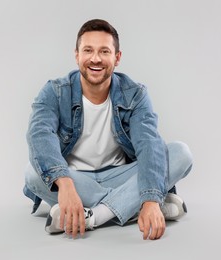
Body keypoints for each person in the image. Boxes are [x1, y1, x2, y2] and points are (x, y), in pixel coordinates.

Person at [23, 19, 193, 240]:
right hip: (74, 179)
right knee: (32, 173)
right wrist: (64, 183)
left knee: (180, 153)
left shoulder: (135, 94)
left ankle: (92, 217)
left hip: (121, 175)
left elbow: (149, 144)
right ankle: (133, 206)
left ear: (117, 58)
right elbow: (39, 136)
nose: (95, 59)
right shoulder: (54, 91)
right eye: (88, 50)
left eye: (104, 51)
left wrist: (150, 198)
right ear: (77, 55)